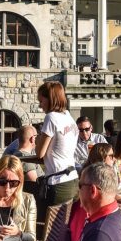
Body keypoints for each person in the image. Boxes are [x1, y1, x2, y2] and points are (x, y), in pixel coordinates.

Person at [35, 81, 79, 210]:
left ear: (50, 99)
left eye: (41, 101)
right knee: (65, 226)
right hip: (72, 177)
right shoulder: (67, 116)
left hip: (58, 182)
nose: (40, 105)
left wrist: (38, 139)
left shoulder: (51, 117)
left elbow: (39, 153)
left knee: (52, 227)